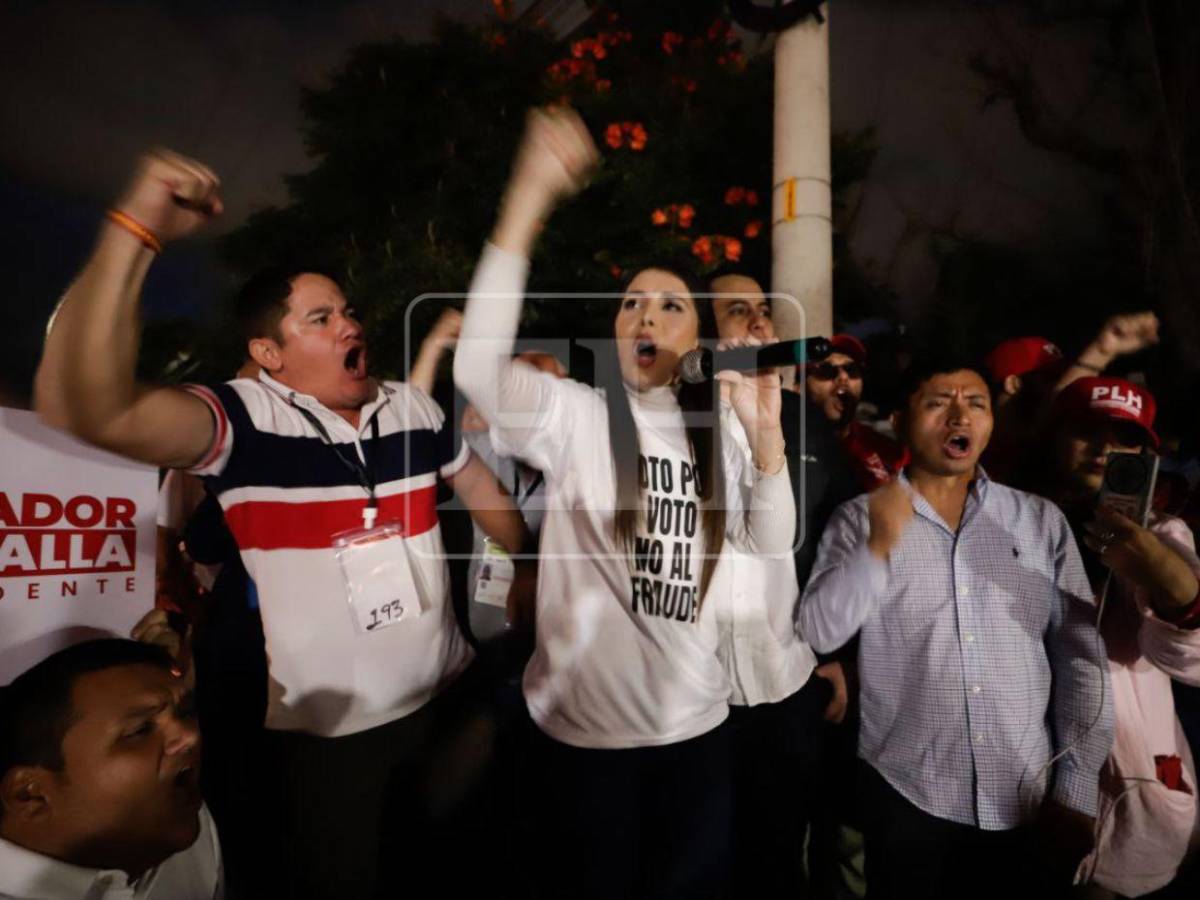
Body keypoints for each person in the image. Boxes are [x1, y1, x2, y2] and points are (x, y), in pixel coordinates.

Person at [33, 149, 531, 899]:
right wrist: (137, 227)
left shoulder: (411, 407)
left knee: (466, 870)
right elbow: (86, 404)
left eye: (350, 310)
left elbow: (487, 494)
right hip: (332, 743)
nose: (348, 325)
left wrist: (522, 566)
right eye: (320, 318)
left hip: (451, 702)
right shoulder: (242, 418)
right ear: (270, 353)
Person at [454, 107, 795, 899]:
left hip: (698, 732)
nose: (646, 313)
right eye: (632, 302)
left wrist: (767, 441)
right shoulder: (575, 412)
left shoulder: (723, 424)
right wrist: (530, 195)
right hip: (581, 741)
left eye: (670, 304)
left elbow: (769, 543)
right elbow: (476, 369)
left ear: (698, 338)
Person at [798, 354, 1113, 899]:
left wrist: (1077, 789)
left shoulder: (1039, 522)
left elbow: (1081, 659)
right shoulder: (859, 518)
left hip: (1028, 797)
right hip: (904, 794)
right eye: (939, 402)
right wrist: (877, 547)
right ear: (898, 421)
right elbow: (819, 632)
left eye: (975, 404)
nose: (959, 416)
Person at [710, 272, 857, 894]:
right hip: (695, 685)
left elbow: (840, 538)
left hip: (787, 675)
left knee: (777, 857)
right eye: (738, 311)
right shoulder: (663, 421)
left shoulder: (806, 421)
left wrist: (837, 654)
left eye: (765, 310)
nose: (760, 323)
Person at [1041, 376, 1200, 897]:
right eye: (1087, 431)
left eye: (1124, 438)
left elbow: (1190, 658)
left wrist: (1161, 574)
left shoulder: (1163, 535)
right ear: (1056, 438)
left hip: (1128, 794)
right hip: (1021, 782)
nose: (1104, 447)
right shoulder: (1014, 520)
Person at [0, 639, 222, 900]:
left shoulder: (181, 824)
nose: (190, 735)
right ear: (30, 795)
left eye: (186, 713)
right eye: (140, 730)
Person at [802, 333, 906, 491]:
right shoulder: (783, 447)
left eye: (852, 370)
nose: (843, 377)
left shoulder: (883, 448)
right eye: (826, 371)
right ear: (799, 386)